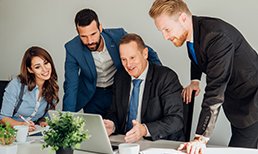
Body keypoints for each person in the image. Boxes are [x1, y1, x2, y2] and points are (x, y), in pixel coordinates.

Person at [149, 0, 258, 153]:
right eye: (161, 31)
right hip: (238, 99)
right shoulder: (194, 31)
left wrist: (200, 138)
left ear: (183, 19)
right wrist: (195, 81)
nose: (165, 37)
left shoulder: (216, 37)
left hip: (252, 100)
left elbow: (215, 90)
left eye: (167, 29)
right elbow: (199, 55)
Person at [63, 8, 162, 117]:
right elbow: (71, 85)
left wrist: (162, 81)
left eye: (93, 34)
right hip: (92, 96)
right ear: (77, 32)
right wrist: (66, 119)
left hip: (117, 91)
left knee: (119, 128)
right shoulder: (72, 48)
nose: (90, 41)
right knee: (95, 131)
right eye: (84, 36)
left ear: (100, 28)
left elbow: (148, 53)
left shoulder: (118, 36)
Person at [104, 33, 184, 143]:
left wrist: (145, 130)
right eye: (124, 59)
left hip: (157, 143)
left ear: (145, 53)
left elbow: (176, 120)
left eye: (132, 57)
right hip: (125, 143)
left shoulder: (166, 77)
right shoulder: (120, 78)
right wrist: (112, 125)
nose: (128, 64)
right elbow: (114, 113)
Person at [0, 46, 59, 132]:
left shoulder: (51, 87)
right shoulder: (16, 84)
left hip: (32, 135)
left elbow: (44, 117)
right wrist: (22, 125)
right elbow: (3, 118)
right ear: (30, 70)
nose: (45, 69)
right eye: (37, 67)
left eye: (46, 63)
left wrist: (43, 122)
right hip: (9, 133)